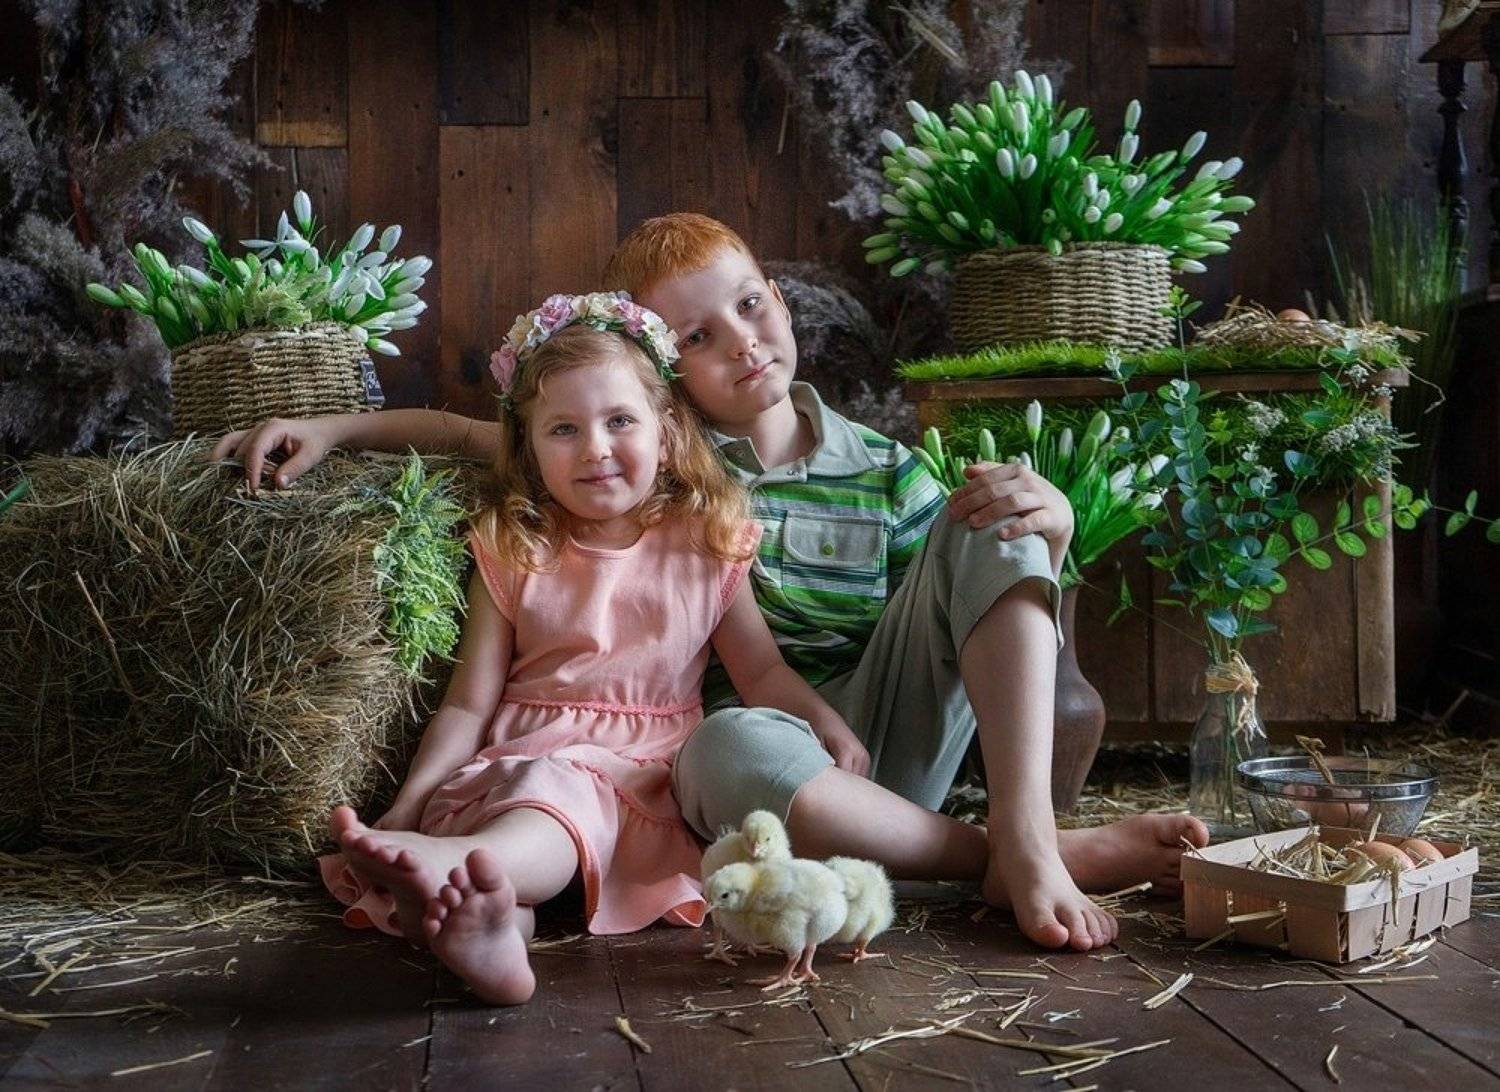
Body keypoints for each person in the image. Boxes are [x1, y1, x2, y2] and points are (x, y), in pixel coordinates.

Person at [219, 215, 1209, 953]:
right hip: (748, 781)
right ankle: (995, 856)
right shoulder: (658, 467)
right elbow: (468, 434)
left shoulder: (889, 470)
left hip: (879, 746)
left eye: (749, 304)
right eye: (696, 337)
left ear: (780, 297)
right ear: (661, 377)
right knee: (728, 740)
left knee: (999, 509)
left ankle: (1027, 838)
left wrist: (1053, 529)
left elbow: (981, 601)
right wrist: (337, 429)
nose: (740, 340)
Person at [320, 291, 865, 1004]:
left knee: (563, 800)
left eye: (620, 421)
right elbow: (467, 705)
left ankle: (452, 864)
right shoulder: (514, 546)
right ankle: (494, 932)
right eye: (564, 429)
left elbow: (761, 672)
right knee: (531, 820)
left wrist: (820, 718)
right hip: (521, 770)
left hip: (641, 785)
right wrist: (411, 802)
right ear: (528, 447)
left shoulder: (707, 542)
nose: (596, 449)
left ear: (666, 431)